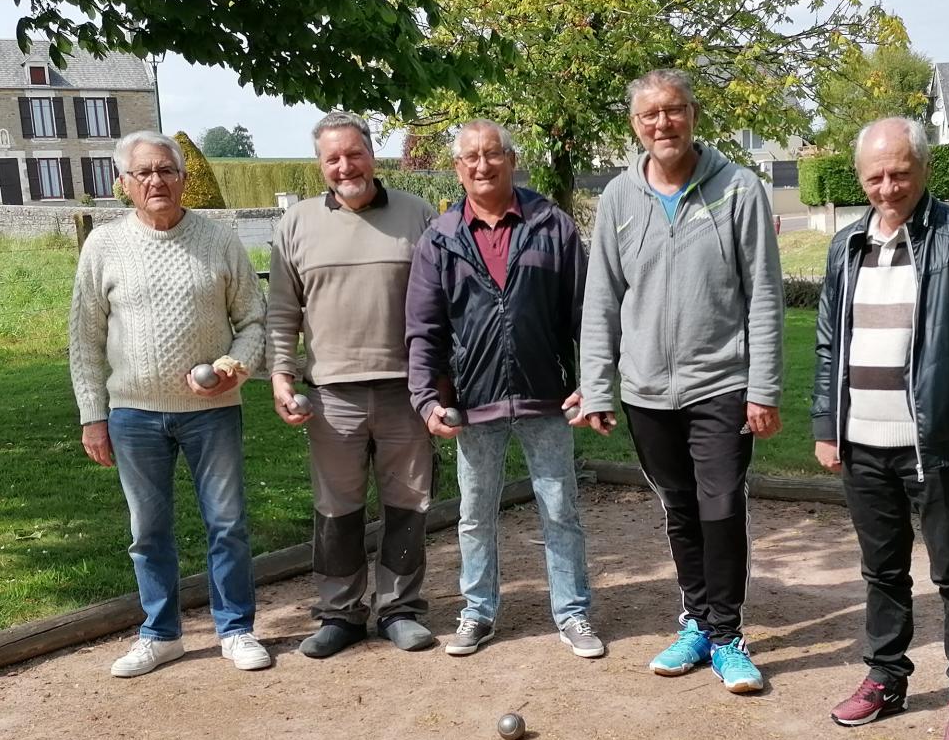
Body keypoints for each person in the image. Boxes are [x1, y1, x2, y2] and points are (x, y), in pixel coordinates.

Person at [812, 116, 949, 740]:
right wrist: (828, 423)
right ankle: (886, 677)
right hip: (863, 441)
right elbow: (828, 344)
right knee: (882, 571)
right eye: (874, 175)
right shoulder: (845, 247)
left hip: (936, 443)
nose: (887, 186)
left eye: (899, 172)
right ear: (859, 177)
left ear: (924, 168)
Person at [576, 68, 785, 694]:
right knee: (680, 508)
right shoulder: (616, 199)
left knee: (720, 506)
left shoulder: (739, 190)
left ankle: (726, 635)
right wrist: (596, 385)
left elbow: (765, 297)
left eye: (673, 111)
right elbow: (601, 300)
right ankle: (695, 619)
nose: (662, 124)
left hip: (721, 383)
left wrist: (764, 387)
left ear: (693, 114)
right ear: (635, 126)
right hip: (645, 392)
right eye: (649, 115)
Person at [69, 130, 270, 678]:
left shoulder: (219, 240)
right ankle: (160, 633)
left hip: (212, 413)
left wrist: (235, 367)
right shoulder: (102, 246)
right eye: (143, 173)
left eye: (166, 171)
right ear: (123, 184)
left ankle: (236, 629)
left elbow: (254, 321)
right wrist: (93, 415)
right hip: (133, 414)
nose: (156, 181)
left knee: (227, 524)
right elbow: (84, 338)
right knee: (147, 530)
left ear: (183, 178)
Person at [405, 120, 603, 660]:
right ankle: (478, 612)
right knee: (474, 514)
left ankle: (573, 611)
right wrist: (426, 398)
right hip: (473, 401)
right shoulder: (440, 238)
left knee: (560, 507)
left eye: (493, 154)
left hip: (547, 396)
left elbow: (586, 313)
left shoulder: (552, 225)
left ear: (512, 161)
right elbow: (424, 329)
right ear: (457, 168)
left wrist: (593, 382)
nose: (482, 164)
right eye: (470, 157)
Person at [268, 110, 439, 658]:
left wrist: (441, 381)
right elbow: (281, 312)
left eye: (354, 153)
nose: (346, 166)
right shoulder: (295, 225)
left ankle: (400, 609)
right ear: (320, 166)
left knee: (407, 505)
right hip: (331, 394)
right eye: (332, 158)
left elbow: (440, 305)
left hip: (405, 392)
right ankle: (340, 614)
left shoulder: (418, 216)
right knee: (336, 510)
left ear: (372, 154)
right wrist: (280, 374)